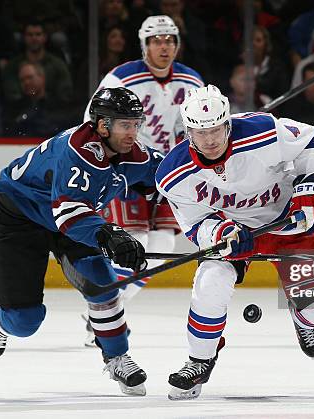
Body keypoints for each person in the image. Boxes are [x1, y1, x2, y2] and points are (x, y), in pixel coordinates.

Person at [155, 85, 314, 400]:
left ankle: (301, 314)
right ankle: (200, 359)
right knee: (211, 282)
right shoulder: (172, 174)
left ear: (228, 124)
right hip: (234, 232)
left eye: (215, 130)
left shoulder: (263, 131)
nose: (209, 139)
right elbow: (195, 224)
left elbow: (311, 139)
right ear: (188, 133)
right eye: (200, 133)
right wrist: (220, 233)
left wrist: (312, 187)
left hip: (284, 222)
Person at [0, 87, 161, 396]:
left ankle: (116, 355)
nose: (133, 133)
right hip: (20, 217)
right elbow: (68, 216)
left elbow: (172, 174)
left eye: (136, 124)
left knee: (101, 279)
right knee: (24, 322)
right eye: (124, 125)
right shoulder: (79, 152)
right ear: (103, 126)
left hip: (70, 215)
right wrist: (109, 235)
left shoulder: (130, 151)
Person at [80, 15, 204, 346]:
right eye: (156, 40)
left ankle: (107, 309)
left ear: (177, 44)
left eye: (169, 40)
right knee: (133, 240)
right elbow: (92, 119)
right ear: (144, 45)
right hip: (130, 168)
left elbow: (200, 125)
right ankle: (106, 314)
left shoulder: (192, 81)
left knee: (163, 244)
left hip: (170, 171)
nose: (164, 46)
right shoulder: (121, 77)